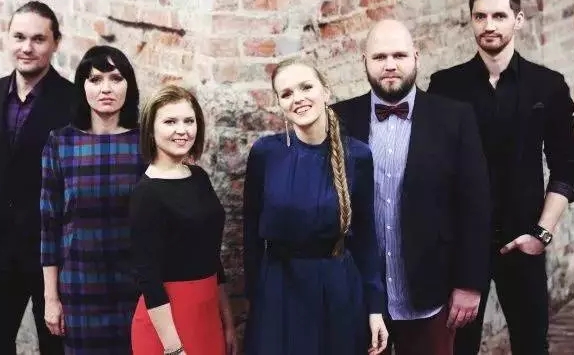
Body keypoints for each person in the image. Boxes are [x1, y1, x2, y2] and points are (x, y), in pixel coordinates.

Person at [428, 0, 574, 355]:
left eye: (499, 16)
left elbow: (564, 169)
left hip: (522, 241)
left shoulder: (547, 86)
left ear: (518, 20)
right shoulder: (446, 86)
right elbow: (433, 172)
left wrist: (541, 235)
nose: (489, 25)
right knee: (458, 348)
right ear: (471, 21)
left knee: (532, 346)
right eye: (480, 17)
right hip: (464, 247)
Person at [332, 19, 492, 355]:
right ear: (364, 61)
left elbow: (475, 206)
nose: (390, 65)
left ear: (416, 57)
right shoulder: (338, 120)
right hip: (359, 296)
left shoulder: (454, 118)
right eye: (379, 57)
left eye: (399, 55)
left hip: (430, 294)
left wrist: (470, 283)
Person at [243, 57, 389, 355]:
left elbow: (366, 237)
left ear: (326, 91)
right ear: (279, 104)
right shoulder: (265, 154)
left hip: (337, 288)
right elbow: (250, 233)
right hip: (279, 290)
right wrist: (257, 298)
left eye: (306, 87)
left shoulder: (358, 155)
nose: (297, 98)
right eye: (286, 93)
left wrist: (375, 308)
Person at [0, 1, 70, 355]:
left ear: (55, 43)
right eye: (19, 37)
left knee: (55, 347)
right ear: (7, 38)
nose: (27, 47)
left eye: (38, 39)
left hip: (50, 255)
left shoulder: (72, 102)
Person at [40, 45, 145, 354]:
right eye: (95, 79)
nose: (106, 89)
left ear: (129, 85)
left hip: (135, 286)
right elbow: (49, 226)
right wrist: (51, 298)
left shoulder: (145, 144)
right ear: (82, 87)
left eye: (116, 78)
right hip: (80, 285)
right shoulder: (61, 143)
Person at [129, 85, 236, 355]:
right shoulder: (146, 193)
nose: (182, 130)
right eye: (170, 122)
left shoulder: (198, 177)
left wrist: (227, 323)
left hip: (208, 313)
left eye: (189, 121)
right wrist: (173, 349)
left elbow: (211, 255)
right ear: (150, 130)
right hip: (167, 326)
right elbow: (148, 277)